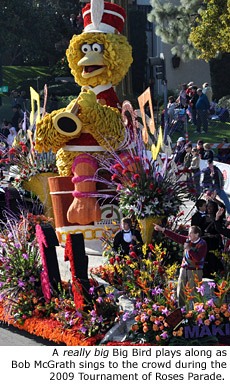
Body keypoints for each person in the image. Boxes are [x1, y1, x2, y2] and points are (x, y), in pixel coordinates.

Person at [154, 224, 207, 307]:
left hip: (195, 271)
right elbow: (176, 236)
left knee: (194, 293)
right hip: (184, 269)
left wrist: (189, 249)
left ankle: (196, 313)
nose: (188, 235)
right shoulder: (187, 240)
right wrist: (163, 230)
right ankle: (180, 311)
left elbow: (198, 258)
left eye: (191, 233)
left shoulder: (202, 244)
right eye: (188, 233)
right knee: (180, 291)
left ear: (197, 234)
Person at [202, 200, 224, 278]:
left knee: (215, 261)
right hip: (205, 243)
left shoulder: (218, 217)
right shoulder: (203, 217)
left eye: (211, 206)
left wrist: (214, 199)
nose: (209, 208)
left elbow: (223, 206)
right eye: (208, 206)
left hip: (215, 243)